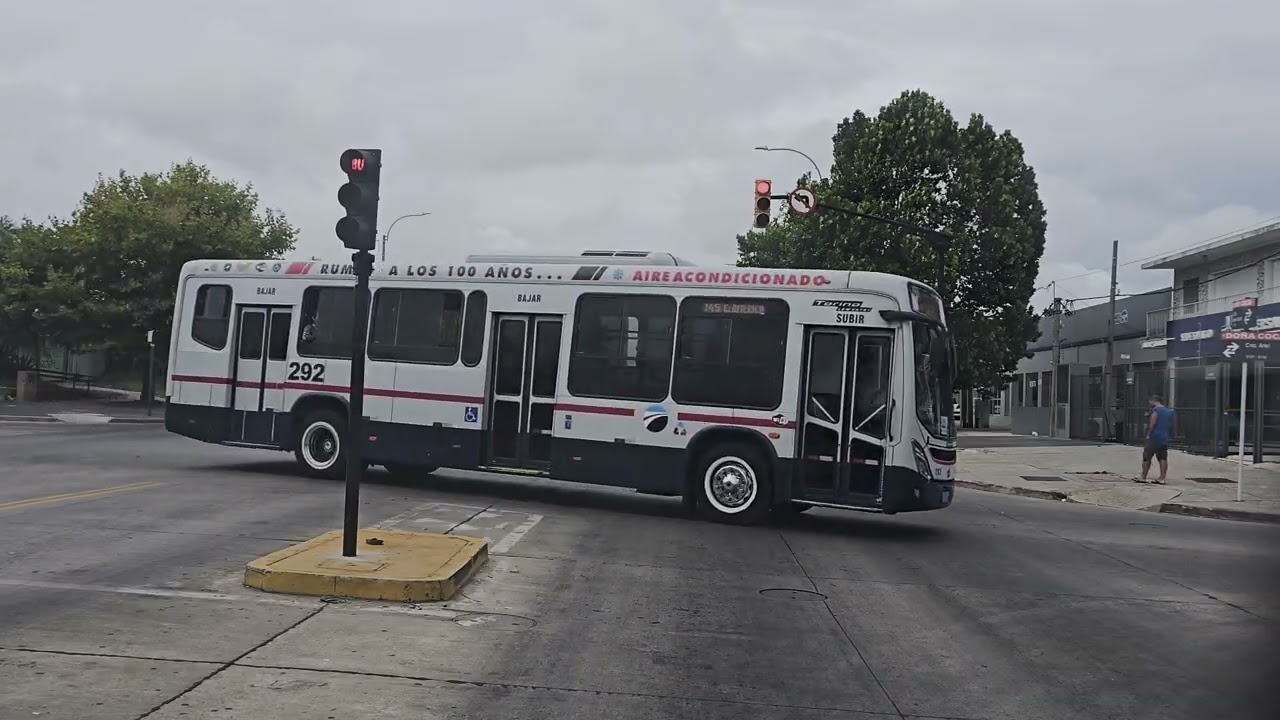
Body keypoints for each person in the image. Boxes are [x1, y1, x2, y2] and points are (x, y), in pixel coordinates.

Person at [1141, 395, 1176, 483]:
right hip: (1164, 436)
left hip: (1155, 436)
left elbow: (1153, 423)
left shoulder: (1156, 410)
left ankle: (1143, 477)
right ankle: (1162, 478)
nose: (1149, 403)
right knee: (1162, 457)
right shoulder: (1169, 411)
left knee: (1147, 456)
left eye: (1150, 402)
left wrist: (1149, 434)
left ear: (1154, 401)